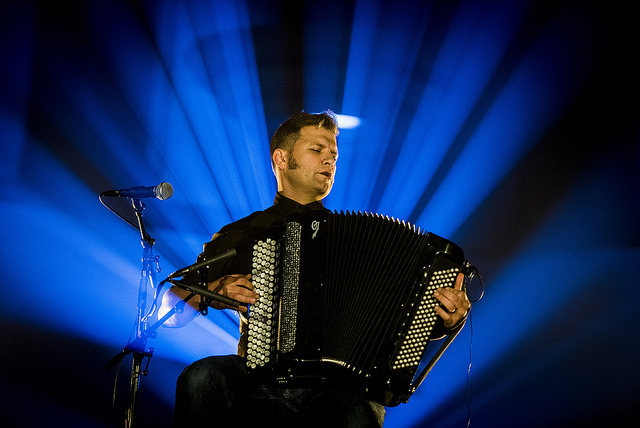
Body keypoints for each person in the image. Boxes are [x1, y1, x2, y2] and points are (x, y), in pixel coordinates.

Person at [159, 110, 471, 427]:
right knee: (202, 377)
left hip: (340, 391)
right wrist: (214, 289)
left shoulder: (356, 238)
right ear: (281, 159)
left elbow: (401, 322)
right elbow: (169, 310)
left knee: (351, 412)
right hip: (262, 382)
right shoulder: (244, 234)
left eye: (333, 154)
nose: (329, 161)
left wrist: (447, 318)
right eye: (317, 150)